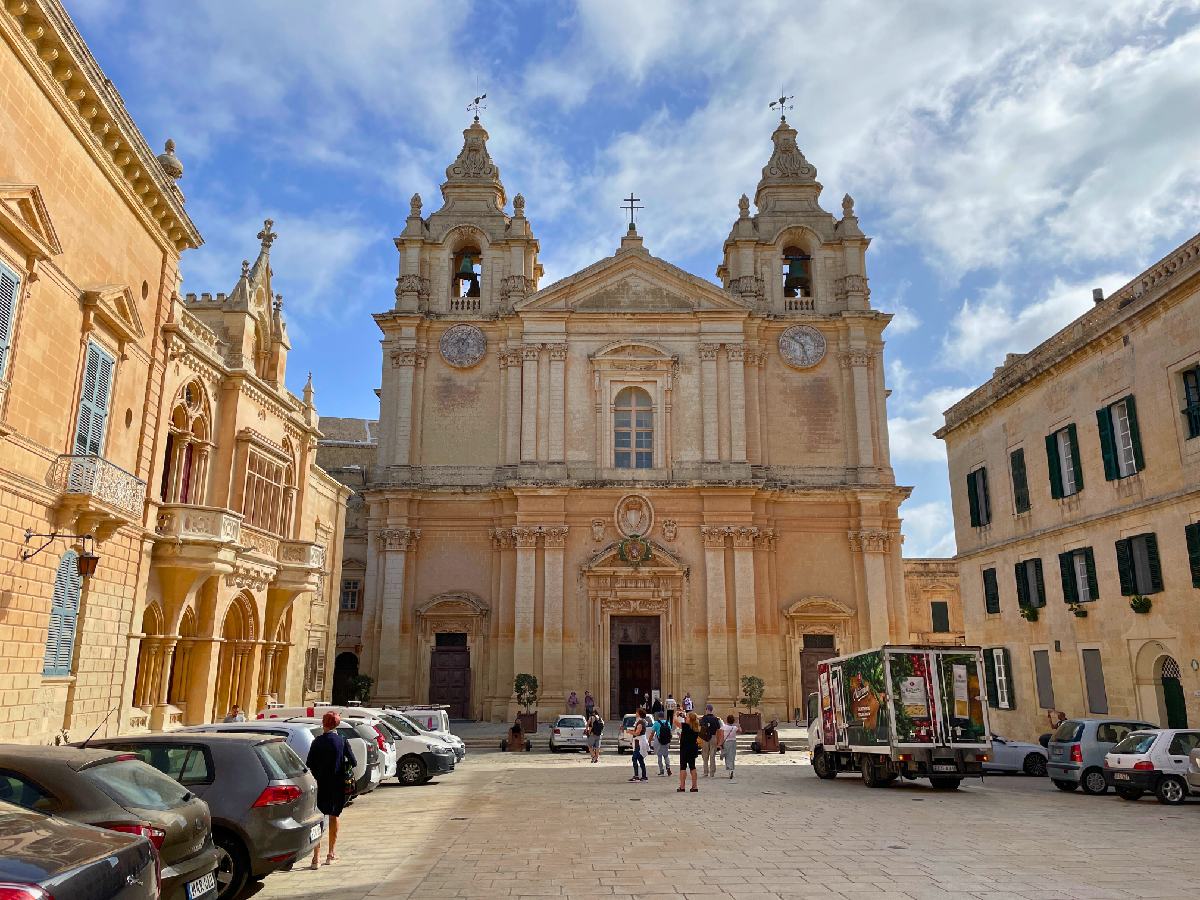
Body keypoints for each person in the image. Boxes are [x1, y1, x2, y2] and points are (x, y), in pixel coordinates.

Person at [305, 711, 357, 868]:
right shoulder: (342, 741)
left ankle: (316, 858)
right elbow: (353, 762)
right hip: (337, 785)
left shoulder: (317, 742)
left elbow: (309, 763)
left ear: (324, 723)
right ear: (337, 724)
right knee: (334, 817)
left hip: (320, 784)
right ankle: (331, 854)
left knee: (318, 819)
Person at [677, 712, 700, 792]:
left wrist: (675, 714)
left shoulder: (686, 726)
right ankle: (695, 786)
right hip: (693, 748)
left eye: (687, 717)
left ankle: (682, 786)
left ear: (690, 719)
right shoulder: (696, 727)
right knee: (692, 767)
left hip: (685, 748)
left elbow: (675, 722)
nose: (685, 718)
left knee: (683, 767)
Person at [699, 704, 722, 777]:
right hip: (713, 737)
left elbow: (700, 725)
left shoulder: (704, 718)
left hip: (705, 738)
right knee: (712, 755)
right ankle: (712, 772)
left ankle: (706, 772)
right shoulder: (715, 719)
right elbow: (718, 728)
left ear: (707, 709)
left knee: (705, 755)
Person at [718, 713, 741, 779]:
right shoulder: (734, 728)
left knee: (727, 756)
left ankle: (729, 770)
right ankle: (732, 769)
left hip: (726, 742)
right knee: (732, 756)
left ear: (727, 720)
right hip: (733, 742)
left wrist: (720, 744)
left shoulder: (723, 727)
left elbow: (722, 737)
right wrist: (739, 725)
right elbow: (740, 731)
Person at [629, 708, 648, 782]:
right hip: (639, 741)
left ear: (639, 713)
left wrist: (629, 732)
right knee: (640, 759)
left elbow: (637, 733)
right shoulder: (641, 721)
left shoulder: (640, 722)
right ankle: (643, 776)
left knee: (635, 758)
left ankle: (637, 776)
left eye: (636, 712)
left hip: (639, 742)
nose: (635, 713)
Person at [653, 710, 673, 776]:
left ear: (658, 716)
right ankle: (668, 768)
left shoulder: (656, 723)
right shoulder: (667, 722)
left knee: (659, 756)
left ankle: (661, 771)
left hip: (659, 741)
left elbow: (652, 733)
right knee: (666, 756)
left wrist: (649, 741)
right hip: (666, 741)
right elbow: (670, 732)